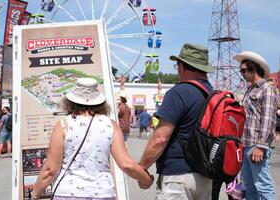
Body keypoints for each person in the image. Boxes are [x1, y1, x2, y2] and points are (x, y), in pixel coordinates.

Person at [32, 78, 153, 200]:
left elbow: (50, 169)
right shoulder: (110, 125)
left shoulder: (63, 125)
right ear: (100, 102)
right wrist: (146, 180)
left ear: (70, 102)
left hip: (67, 192)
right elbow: (126, 164)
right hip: (102, 193)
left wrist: (35, 194)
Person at [138, 43, 214, 199]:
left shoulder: (179, 92)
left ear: (182, 67)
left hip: (178, 176)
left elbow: (160, 138)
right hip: (206, 175)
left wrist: (141, 169)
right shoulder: (213, 95)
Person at [235, 51, 277, 199]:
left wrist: (261, 146)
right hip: (246, 144)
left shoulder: (266, 89)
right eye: (241, 70)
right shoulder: (250, 90)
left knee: (263, 186)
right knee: (250, 187)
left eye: (245, 70)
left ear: (255, 69)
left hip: (256, 145)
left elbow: (267, 119)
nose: (242, 73)